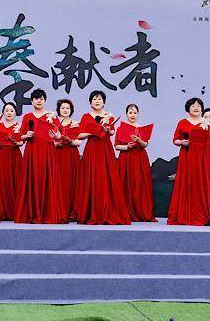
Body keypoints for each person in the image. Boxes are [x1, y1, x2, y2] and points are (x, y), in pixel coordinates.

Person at [74, 91, 130, 224]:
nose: (97, 101)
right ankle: (91, 212)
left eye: (99, 99)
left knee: (107, 178)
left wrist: (107, 129)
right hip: (92, 149)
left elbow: (112, 132)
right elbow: (79, 135)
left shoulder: (109, 115)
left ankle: (107, 211)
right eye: (94, 99)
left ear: (103, 102)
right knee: (91, 178)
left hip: (105, 149)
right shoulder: (86, 116)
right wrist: (92, 131)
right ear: (90, 102)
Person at [167, 97, 210, 226]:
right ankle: (186, 215)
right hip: (188, 156)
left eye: (198, 105)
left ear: (202, 108)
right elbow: (175, 139)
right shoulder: (182, 122)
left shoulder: (207, 122)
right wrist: (182, 142)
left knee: (203, 184)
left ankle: (205, 215)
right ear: (188, 108)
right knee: (188, 183)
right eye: (193, 105)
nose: (196, 108)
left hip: (204, 157)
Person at [15, 88, 67, 224]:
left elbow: (59, 135)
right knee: (32, 179)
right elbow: (20, 136)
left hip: (48, 151)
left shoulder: (51, 116)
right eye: (36, 98)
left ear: (45, 101)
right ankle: (32, 213)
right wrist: (27, 135)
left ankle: (48, 212)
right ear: (32, 101)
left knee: (47, 178)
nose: (39, 101)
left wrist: (57, 135)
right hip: (32, 151)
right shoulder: (27, 117)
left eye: (41, 98)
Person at [115, 103, 155, 222]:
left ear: (138, 114)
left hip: (140, 157)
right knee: (126, 183)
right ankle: (126, 212)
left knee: (140, 184)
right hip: (126, 158)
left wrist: (140, 141)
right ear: (126, 114)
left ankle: (140, 211)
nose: (132, 115)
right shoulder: (121, 128)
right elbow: (116, 146)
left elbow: (146, 144)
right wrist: (127, 146)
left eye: (135, 113)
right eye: (130, 112)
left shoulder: (142, 128)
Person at [0, 102, 23, 221]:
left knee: (15, 182)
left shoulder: (19, 125)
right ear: (3, 112)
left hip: (14, 155)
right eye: (6, 110)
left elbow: (21, 142)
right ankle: (1, 211)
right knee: (0, 182)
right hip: (1, 156)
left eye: (11, 110)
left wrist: (17, 142)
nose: (9, 113)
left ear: (15, 112)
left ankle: (15, 211)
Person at [54, 98, 82, 220]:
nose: (65, 110)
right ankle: (58, 211)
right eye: (63, 108)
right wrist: (57, 143)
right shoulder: (54, 124)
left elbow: (79, 142)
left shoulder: (75, 124)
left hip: (71, 155)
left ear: (71, 110)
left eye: (67, 108)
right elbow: (49, 141)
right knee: (58, 182)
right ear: (58, 110)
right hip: (57, 155)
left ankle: (72, 212)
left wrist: (71, 141)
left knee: (72, 183)